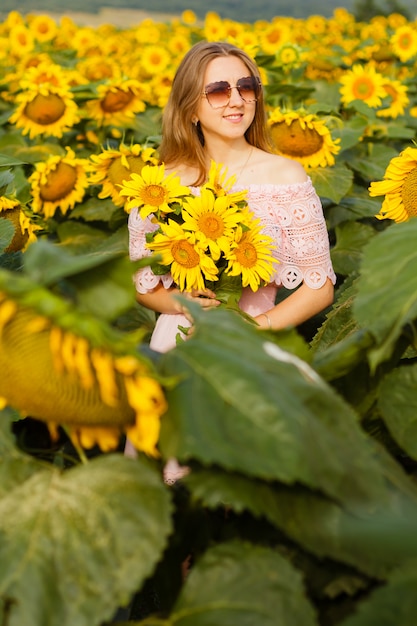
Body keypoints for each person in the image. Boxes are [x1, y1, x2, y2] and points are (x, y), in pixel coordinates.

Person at [126, 41, 336, 476]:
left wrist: (252, 331)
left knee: (255, 477)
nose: (237, 99)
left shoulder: (286, 177)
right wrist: (183, 304)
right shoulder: (160, 185)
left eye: (247, 86)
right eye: (218, 90)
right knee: (178, 480)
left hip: (260, 339)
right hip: (180, 343)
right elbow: (144, 284)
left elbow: (320, 286)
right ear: (189, 107)